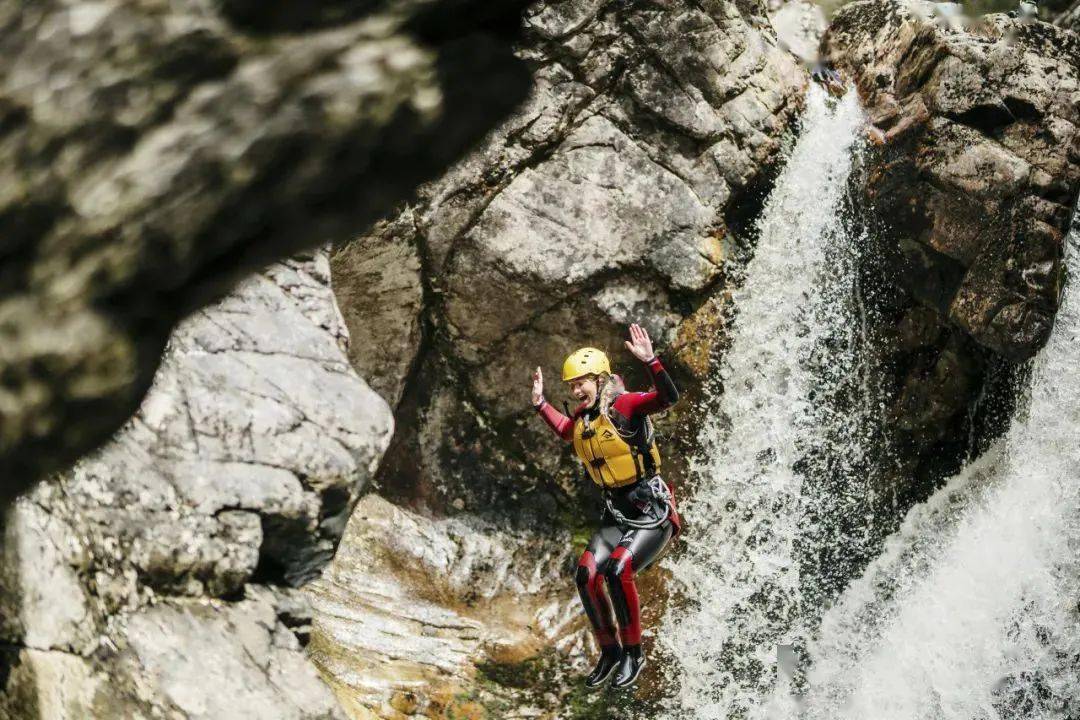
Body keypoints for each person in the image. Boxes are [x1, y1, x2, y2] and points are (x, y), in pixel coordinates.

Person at [530, 323, 682, 690]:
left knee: (617, 570)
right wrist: (540, 404)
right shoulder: (584, 418)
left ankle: (634, 653)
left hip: (652, 511)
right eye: (571, 385)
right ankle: (610, 652)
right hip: (616, 512)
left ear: (600, 379)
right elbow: (565, 429)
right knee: (585, 574)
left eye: (581, 382)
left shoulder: (625, 404)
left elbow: (667, 398)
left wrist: (652, 361)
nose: (576, 389)